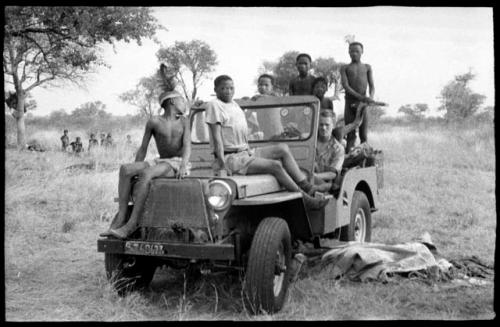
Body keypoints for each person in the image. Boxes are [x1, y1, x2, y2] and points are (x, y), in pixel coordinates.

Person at [206, 75, 328, 210]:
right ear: (215, 90)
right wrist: (223, 165)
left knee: (282, 148)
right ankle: (304, 198)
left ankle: (306, 186)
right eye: (223, 88)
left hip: (245, 153)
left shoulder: (233, 104)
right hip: (232, 158)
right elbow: (217, 138)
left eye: (231, 88)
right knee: (275, 166)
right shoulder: (214, 105)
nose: (228, 91)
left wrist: (255, 98)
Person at [100, 63, 192, 239]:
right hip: (161, 161)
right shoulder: (154, 122)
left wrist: (184, 165)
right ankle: (120, 218)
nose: (184, 103)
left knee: (147, 174)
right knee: (125, 169)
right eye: (181, 99)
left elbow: (187, 145)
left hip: (177, 163)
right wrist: (135, 167)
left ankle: (132, 224)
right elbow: (143, 148)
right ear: (172, 101)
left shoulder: (184, 121)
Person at [340, 41, 375, 153]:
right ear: (348, 52)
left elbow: (372, 86)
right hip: (349, 104)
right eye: (352, 51)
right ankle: (347, 160)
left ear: (362, 52)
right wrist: (361, 97)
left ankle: (365, 161)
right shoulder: (344, 68)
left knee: (363, 135)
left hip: (363, 105)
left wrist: (371, 98)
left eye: (357, 51)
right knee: (350, 135)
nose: (354, 53)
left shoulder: (367, 67)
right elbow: (346, 86)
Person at [312, 110, 345, 193]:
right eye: (321, 124)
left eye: (327, 125)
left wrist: (314, 176)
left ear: (333, 126)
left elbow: (332, 174)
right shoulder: (310, 143)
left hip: (325, 185)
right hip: (305, 179)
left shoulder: (338, 149)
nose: (323, 128)